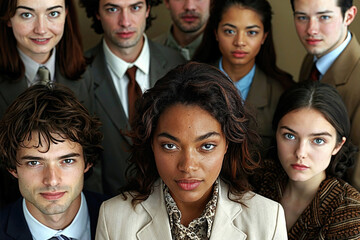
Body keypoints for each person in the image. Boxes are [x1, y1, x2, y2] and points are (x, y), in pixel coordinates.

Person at [95, 62, 287, 239]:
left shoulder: (268, 219)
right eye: (170, 146)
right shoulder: (113, 218)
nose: (188, 166)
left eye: (206, 146)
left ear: (228, 144)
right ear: (151, 143)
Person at [79, 0, 186, 196]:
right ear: (97, 13)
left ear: (148, 9)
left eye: (135, 7)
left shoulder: (178, 63)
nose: (125, 21)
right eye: (113, 9)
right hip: (107, 207)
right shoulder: (79, 74)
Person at [0, 0, 95, 208]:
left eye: (53, 13)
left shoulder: (85, 75)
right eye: (27, 15)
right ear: (8, 17)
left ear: (66, 14)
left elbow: (92, 152)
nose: (41, 29)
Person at [252, 81, 360, 239]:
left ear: (338, 145)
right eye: (290, 136)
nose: (300, 153)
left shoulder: (350, 214)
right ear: (276, 134)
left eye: (318, 140)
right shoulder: (257, 178)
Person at [0, 84, 105, 240]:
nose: (52, 180)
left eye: (67, 161)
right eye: (34, 163)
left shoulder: (124, 219)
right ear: (12, 167)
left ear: (87, 162)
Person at [193, 0, 294, 157]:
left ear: (264, 37)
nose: (239, 42)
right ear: (216, 33)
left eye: (251, 32)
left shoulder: (281, 92)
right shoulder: (191, 82)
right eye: (229, 31)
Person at [290, 0, 360, 190]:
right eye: (302, 17)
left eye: (324, 17)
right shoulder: (311, 60)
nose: (311, 29)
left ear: (349, 16)